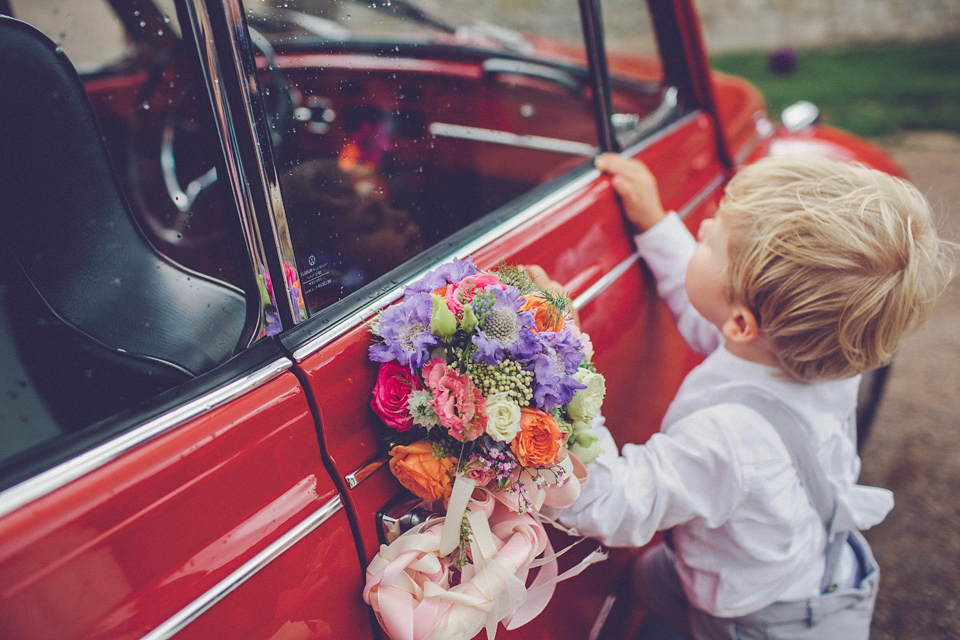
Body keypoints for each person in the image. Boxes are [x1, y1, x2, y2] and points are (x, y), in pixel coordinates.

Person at [556, 153, 955, 639]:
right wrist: (657, 224)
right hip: (775, 560)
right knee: (644, 581)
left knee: (649, 589)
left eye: (714, 238)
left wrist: (564, 362)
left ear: (743, 324)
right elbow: (712, 304)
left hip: (753, 622)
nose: (700, 226)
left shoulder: (728, 438)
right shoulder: (817, 356)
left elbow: (612, 502)